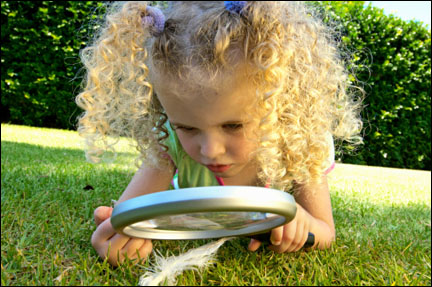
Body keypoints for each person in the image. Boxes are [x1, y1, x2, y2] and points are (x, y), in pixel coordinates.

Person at [76, 1, 363, 267]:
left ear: (280, 104)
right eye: (187, 127)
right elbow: (128, 216)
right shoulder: (169, 142)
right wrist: (115, 236)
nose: (210, 150)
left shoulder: (300, 142)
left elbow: (325, 232)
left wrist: (303, 224)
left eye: (233, 126)